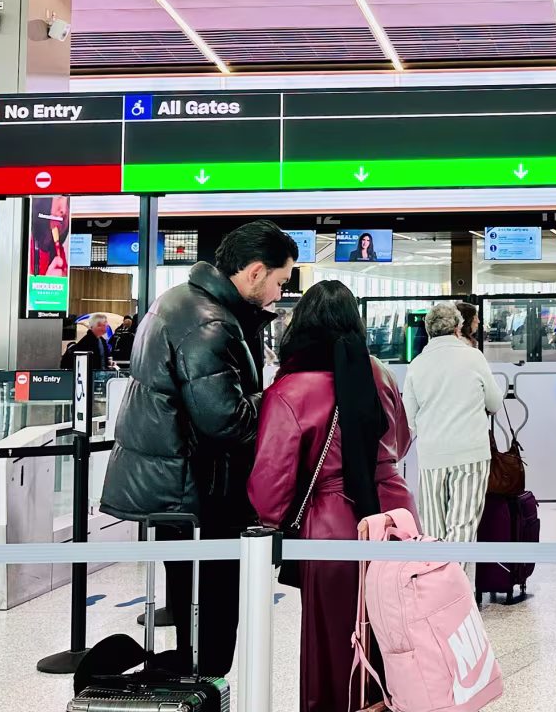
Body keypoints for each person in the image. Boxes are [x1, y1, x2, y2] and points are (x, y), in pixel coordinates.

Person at [100, 220, 297, 676]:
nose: (278, 294)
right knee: (212, 624)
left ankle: (196, 688)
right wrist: (280, 397)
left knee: (193, 613)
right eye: (279, 281)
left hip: (178, 488)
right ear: (253, 272)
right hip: (202, 495)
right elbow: (225, 419)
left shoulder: (179, 301)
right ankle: (205, 693)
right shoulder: (209, 323)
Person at [249, 280, 414, 712]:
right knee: (397, 638)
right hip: (396, 516)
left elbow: (270, 490)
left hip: (333, 526)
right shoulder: (379, 372)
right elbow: (401, 440)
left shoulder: (289, 390)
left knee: (335, 644)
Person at [401, 302, 503, 573]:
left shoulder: (417, 365)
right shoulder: (474, 357)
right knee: (463, 524)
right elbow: (494, 402)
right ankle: (453, 590)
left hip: (433, 454)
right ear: (459, 328)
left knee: (434, 528)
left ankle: (437, 588)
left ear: (428, 331)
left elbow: (408, 418)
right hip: (471, 452)